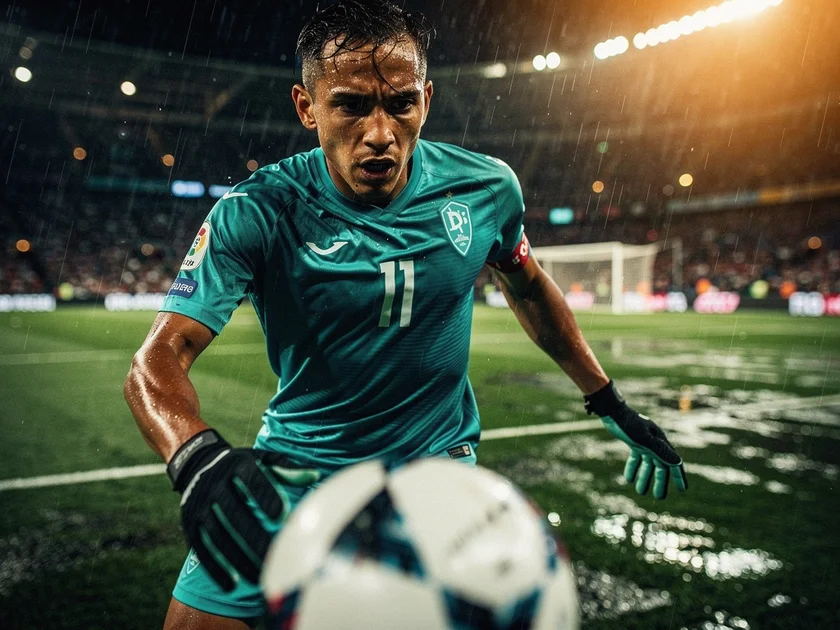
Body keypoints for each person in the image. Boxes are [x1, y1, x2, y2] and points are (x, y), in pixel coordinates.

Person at [124, 1, 687, 628]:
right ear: (306, 107)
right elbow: (156, 361)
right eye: (350, 104)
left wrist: (610, 401)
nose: (380, 132)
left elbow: (528, 287)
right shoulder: (258, 210)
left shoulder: (487, 189)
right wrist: (197, 461)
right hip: (295, 474)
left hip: (438, 483)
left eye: (400, 103)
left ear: (427, 100)